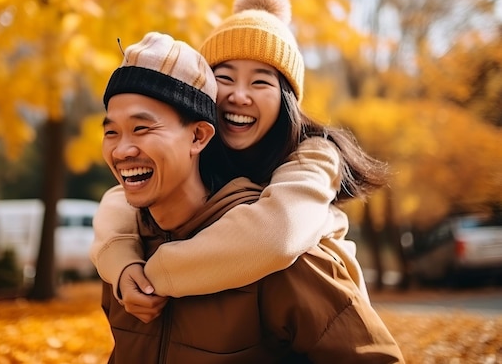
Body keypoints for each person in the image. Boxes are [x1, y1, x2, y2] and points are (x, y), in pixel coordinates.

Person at [99, 31, 404, 363]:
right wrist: (122, 263)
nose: (238, 96)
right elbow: (116, 201)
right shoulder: (129, 254)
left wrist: (157, 276)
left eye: (142, 128)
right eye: (224, 78)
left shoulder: (291, 237)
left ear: (199, 135)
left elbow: (281, 232)